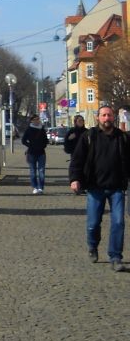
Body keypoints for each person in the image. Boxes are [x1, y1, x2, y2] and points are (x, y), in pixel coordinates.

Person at [69, 105, 130, 272]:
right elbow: (77, 160)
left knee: (118, 222)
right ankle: (93, 246)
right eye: (103, 115)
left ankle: (115, 257)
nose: (107, 118)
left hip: (117, 188)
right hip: (95, 188)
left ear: (113, 118)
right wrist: (75, 179)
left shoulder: (122, 138)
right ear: (98, 118)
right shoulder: (89, 137)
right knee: (93, 223)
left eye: (109, 115)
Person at [22, 113, 49, 194]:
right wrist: (30, 145)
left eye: (38, 119)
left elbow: (46, 140)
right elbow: (23, 140)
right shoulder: (29, 129)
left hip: (41, 153)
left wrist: (43, 145)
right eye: (35, 119)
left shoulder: (42, 129)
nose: (37, 121)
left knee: (41, 171)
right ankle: (35, 187)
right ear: (32, 120)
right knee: (33, 171)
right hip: (31, 153)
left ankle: (41, 187)